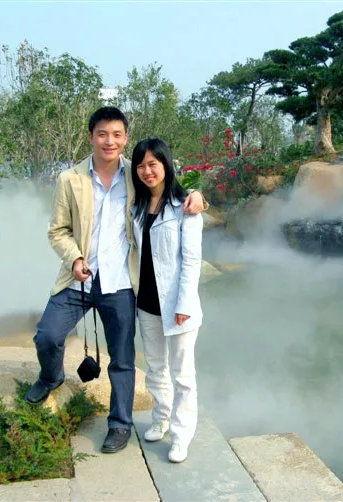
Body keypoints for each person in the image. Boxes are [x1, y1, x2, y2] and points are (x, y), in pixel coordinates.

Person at [25, 107, 205, 455]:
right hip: (79, 278)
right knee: (47, 335)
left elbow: (168, 188)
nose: (110, 141)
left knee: (122, 359)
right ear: (91, 136)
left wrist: (197, 195)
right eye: (103, 134)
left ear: (125, 138)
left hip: (121, 282)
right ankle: (50, 376)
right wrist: (74, 258)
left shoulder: (134, 176)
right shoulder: (70, 179)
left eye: (117, 134)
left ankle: (120, 424)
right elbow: (57, 230)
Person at [131, 138, 203, 463]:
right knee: (156, 367)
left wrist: (184, 304)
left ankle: (181, 434)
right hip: (147, 303)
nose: (147, 171)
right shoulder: (136, 206)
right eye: (141, 165)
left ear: (166, 165)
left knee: (183, 373)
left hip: (177, 305)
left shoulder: (185, 206)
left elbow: (192, 260)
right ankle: (160, 418)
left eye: (153, 164)